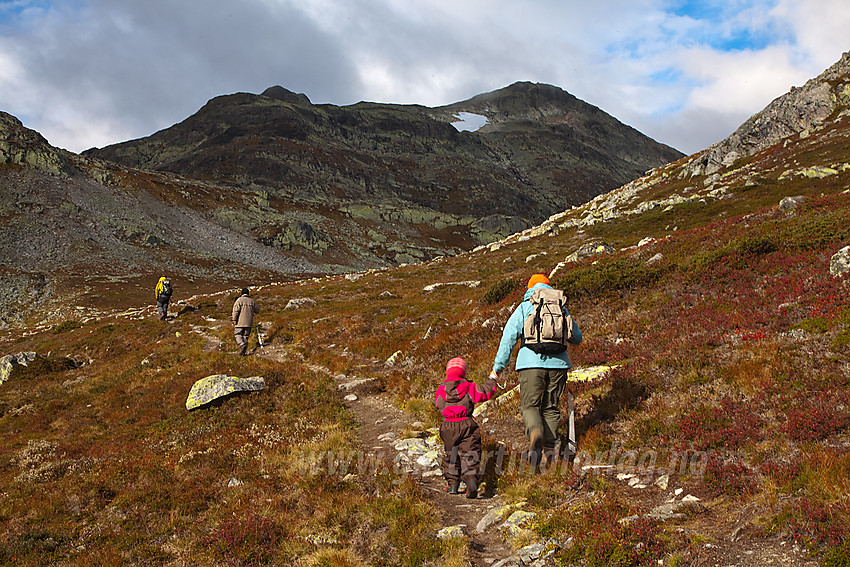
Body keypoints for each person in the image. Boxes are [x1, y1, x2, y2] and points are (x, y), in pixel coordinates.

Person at [491, 274, 582, 468]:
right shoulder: (560, 307)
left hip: (530, 365)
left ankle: (535, 433)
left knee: (530, 406)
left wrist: (498, 368)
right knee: (550, 407)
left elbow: (508, 337)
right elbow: (577, 337)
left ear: (530, 288)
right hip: (559, 365)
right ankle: (550, 452)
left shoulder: (525, 307)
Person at [434, 357, 497, 498]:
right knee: (470, 453)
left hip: (447, 426)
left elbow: (437, 404)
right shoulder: (469, 386)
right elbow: (486, 392)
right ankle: (471, 481)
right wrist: (492, 379)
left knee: (451, 455)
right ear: (463, 372)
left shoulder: (441, 389)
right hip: (467, 424)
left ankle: (453, 485)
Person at [231, 288, 260, 356]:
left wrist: (234, 319)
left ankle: (242, 344)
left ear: (242, 293)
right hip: (249, 323)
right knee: (245, 336)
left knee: (238, 334)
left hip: (240, 322)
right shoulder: (252, 301)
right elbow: (258, 310)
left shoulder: (239, 300)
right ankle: (243, 353)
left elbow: (235, 311)